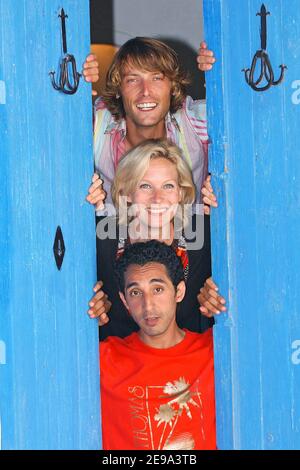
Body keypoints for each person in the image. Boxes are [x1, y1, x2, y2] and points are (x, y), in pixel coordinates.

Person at [83, 38, 226, 319]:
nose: (145, 92)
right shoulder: (98, 125)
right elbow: (48, 116)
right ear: (119, 89)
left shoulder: (192, 122)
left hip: (190, 247)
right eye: (132, 80)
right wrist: (77, 81)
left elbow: (249, 114)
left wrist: (221, 71)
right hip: (117, 249)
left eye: (157, 78)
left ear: (172, 86)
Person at [91, 139, 220, 340]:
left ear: (181, 192)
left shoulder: (203, 236)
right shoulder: (102, 240)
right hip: (120, 364)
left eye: (168, 186)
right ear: (126, 193)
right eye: (145, 186)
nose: (157, 198)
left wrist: (213, 306)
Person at [100, 239, 216, 450]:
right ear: (124, 301)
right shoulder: (103, 359)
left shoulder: (215, 352)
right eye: (135, 293)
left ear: (178, 292)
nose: (148, 305)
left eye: (158, 289)